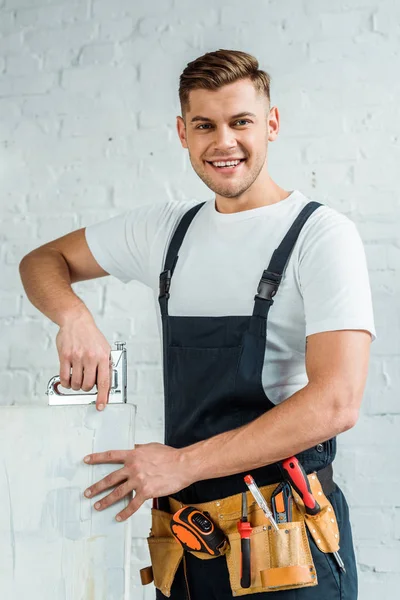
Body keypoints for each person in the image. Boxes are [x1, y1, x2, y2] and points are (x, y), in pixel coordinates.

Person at [20, 49, 375, 599]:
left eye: (241, 122)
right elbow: (41, 262)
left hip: (285, 545)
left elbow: (337, 403)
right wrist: (73, 317)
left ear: (272, 124)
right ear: (183, 133)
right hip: (190, 548)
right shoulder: (167, 231)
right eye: (205, 125)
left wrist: (181, 465)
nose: (224, 142)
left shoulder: (320, 236)